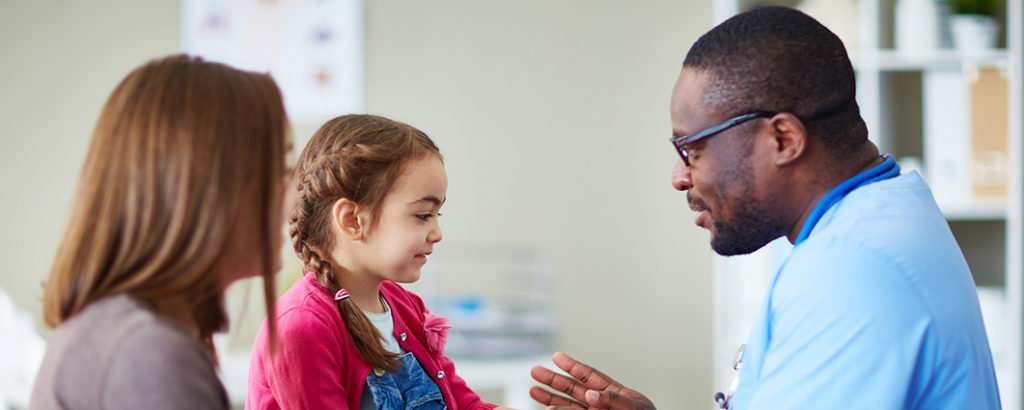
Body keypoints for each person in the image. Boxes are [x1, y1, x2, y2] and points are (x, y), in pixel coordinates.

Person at [530, 6, 1001, 409]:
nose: (679, 177)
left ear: (783, 139)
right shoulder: (884, 216)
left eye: (691, 150)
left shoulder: (851, 270)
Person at [29, 54, 292, 409]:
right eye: (278, 168)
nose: (290, 191)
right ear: (208, 187)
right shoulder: (148, 356)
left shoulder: (121, 334)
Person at [246, 114, 510, 410]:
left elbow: (464, 405)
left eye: (437, 216)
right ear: (352, 220)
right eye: (423, 215)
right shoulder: (300, 328)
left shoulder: (406, 308)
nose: (437, 233)